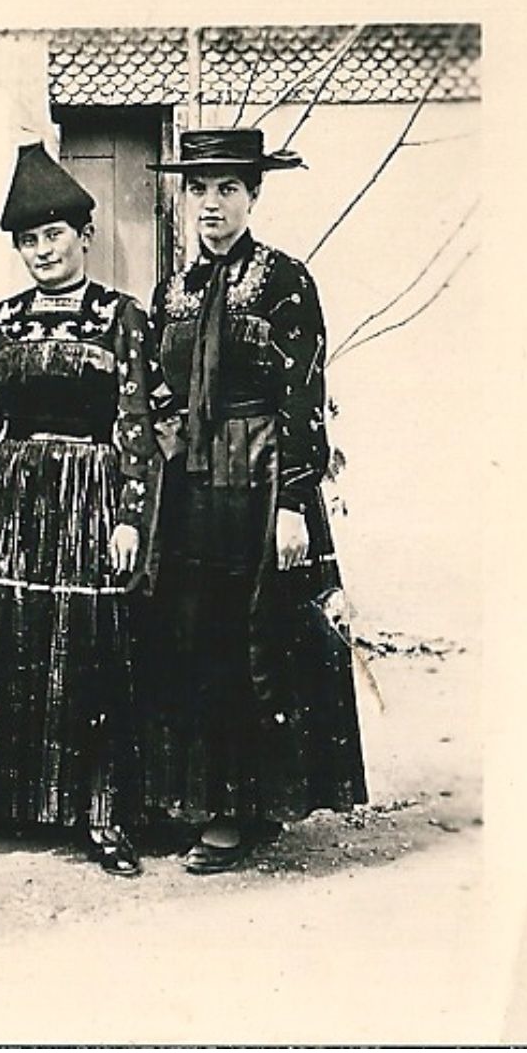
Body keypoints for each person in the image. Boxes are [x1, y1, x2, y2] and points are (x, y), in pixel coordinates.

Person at [140, 128, 367, 873]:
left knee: (257, 637)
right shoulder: (170, 290)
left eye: (227, 189)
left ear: (252, 196)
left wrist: (293, 502)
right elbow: (157, 388)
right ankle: (210, 799)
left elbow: (304, 394)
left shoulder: (283, 281)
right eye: (199, 188)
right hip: (194, 485)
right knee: (195, 635)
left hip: (265, 476)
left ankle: (248, 810)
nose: (211, 203)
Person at [0, 142, 160, 876]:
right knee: (16, 640)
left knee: (90, 648)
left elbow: (136, 426)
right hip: (17, 502)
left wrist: (129, 515)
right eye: (27, 239)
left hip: (90, 496)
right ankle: (18, 801)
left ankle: (101, 814)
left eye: (53, 235)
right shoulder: (2, 321)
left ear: (85, 235)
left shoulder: (120, 318)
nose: (42, 251)